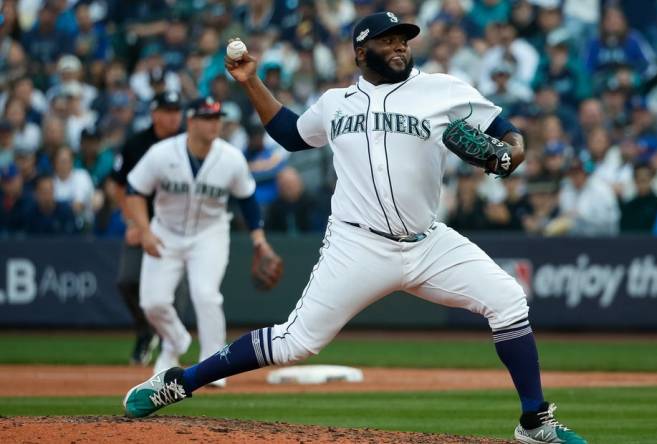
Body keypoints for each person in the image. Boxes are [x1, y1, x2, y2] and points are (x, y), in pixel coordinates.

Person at [122, 12, 587, 444]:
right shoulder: (335, 103)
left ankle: (534, 422)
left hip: (429, 241)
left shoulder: (443, 89)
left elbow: (507, 130)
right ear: (361, 52)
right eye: (388, 40)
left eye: (403, 39)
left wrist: (514, 152)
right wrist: (251, 82)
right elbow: (288, 133)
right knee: (294, 343)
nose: (400, 46)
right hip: (357, 244)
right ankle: (179, 382)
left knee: (508, 301)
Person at [124, 96, 279, 388]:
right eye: (207, 118)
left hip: (209, 233)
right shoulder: (162, 153)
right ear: (191, 121)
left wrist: (260, 241)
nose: (214, 123)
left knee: (206, 294)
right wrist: (144, 231)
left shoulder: (231, 157)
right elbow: (134, 190)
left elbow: (247, 200)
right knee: (152, 302)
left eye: (217, 118)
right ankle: (176, 339)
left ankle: (214, 366)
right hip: (165, 231)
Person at [109, 91, 184, 366]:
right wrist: (132, 221)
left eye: (177, 111)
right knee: (127, 280)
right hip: (144, 223)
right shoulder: (137, 143)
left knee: (179, 291)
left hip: (179, 226)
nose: (173, 116)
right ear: (154, 114)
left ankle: (169, 343)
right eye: (167, 110)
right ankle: (145, 333)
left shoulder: (189, 141)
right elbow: (119, 185)